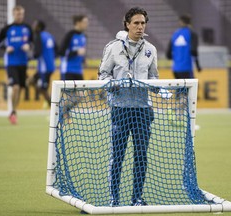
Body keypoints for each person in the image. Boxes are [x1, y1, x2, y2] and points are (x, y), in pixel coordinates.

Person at [98, 7, 171, 207]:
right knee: (118, 156)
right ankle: (114, 198)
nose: (140, 27)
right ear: (127, 24)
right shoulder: (113, 47)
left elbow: (153, 77)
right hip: (120, 108)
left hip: (142, 110)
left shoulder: (150, 49)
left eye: (143, 23)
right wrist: (112, 84)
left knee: (141, 155)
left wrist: (159, 90)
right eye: (136, 23)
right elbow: (103, 74)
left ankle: (137, 198)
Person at [0, 5, 32, 124]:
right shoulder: (7, 28)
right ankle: (11, 111)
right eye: (17, 14)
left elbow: (32, 42)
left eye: (21, 14)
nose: (20, 16)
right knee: (15, 86)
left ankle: (13, 112)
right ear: (13, 14)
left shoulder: (27, 28)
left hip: (23, 62)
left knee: (20, 88)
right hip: (11, 62)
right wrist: (6, 47)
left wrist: (29, 46)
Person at [166, 14, 201, 129]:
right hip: (186, 67)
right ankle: (182, 115)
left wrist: (177, 58)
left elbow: (167, 54)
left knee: (181, 92)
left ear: (181, 22)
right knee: (190, 93)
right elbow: (194, 51)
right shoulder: (192, 33)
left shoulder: (175, 34)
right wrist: (198, 65)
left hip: (176, 68)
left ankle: (178, 117)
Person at [59, 15, 88, 120]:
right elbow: (61, 52)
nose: (86, 24)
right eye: (84, 22)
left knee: (81, 95)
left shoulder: (84, 36)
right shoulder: (69, 35)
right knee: (69, 95)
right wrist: (76, 52)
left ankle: (63, 111)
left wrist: (83, 59)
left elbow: (81, 52)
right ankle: (64, 115)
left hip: (78, 70)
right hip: (68, 69)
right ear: (77, 22)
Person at [27, 20, 57, 107]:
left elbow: (37, 52)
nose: (33, 27)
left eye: (35, 25)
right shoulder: (49, 36)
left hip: (44, 68)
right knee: (30, 81)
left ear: (39, 27)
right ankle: (49, 103)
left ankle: (53, 108)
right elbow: (57, 49)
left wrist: (28, 57)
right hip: (49, 66)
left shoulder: (38, 36)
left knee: (42, 89)